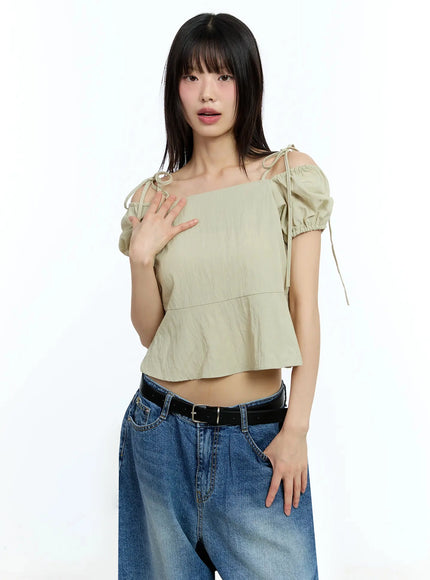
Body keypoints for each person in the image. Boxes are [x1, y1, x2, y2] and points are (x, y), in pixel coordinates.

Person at [117, 12, 348, 580]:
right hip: (160, 432)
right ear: (175, 89)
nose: (208, 94)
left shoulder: (287, 177)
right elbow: (151, 333)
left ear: (248, 84)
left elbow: (304, 308)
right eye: (192, 76)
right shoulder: (153, 198)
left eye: (223, 76)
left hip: (259, 440)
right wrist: (141, 258)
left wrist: (296, 430)